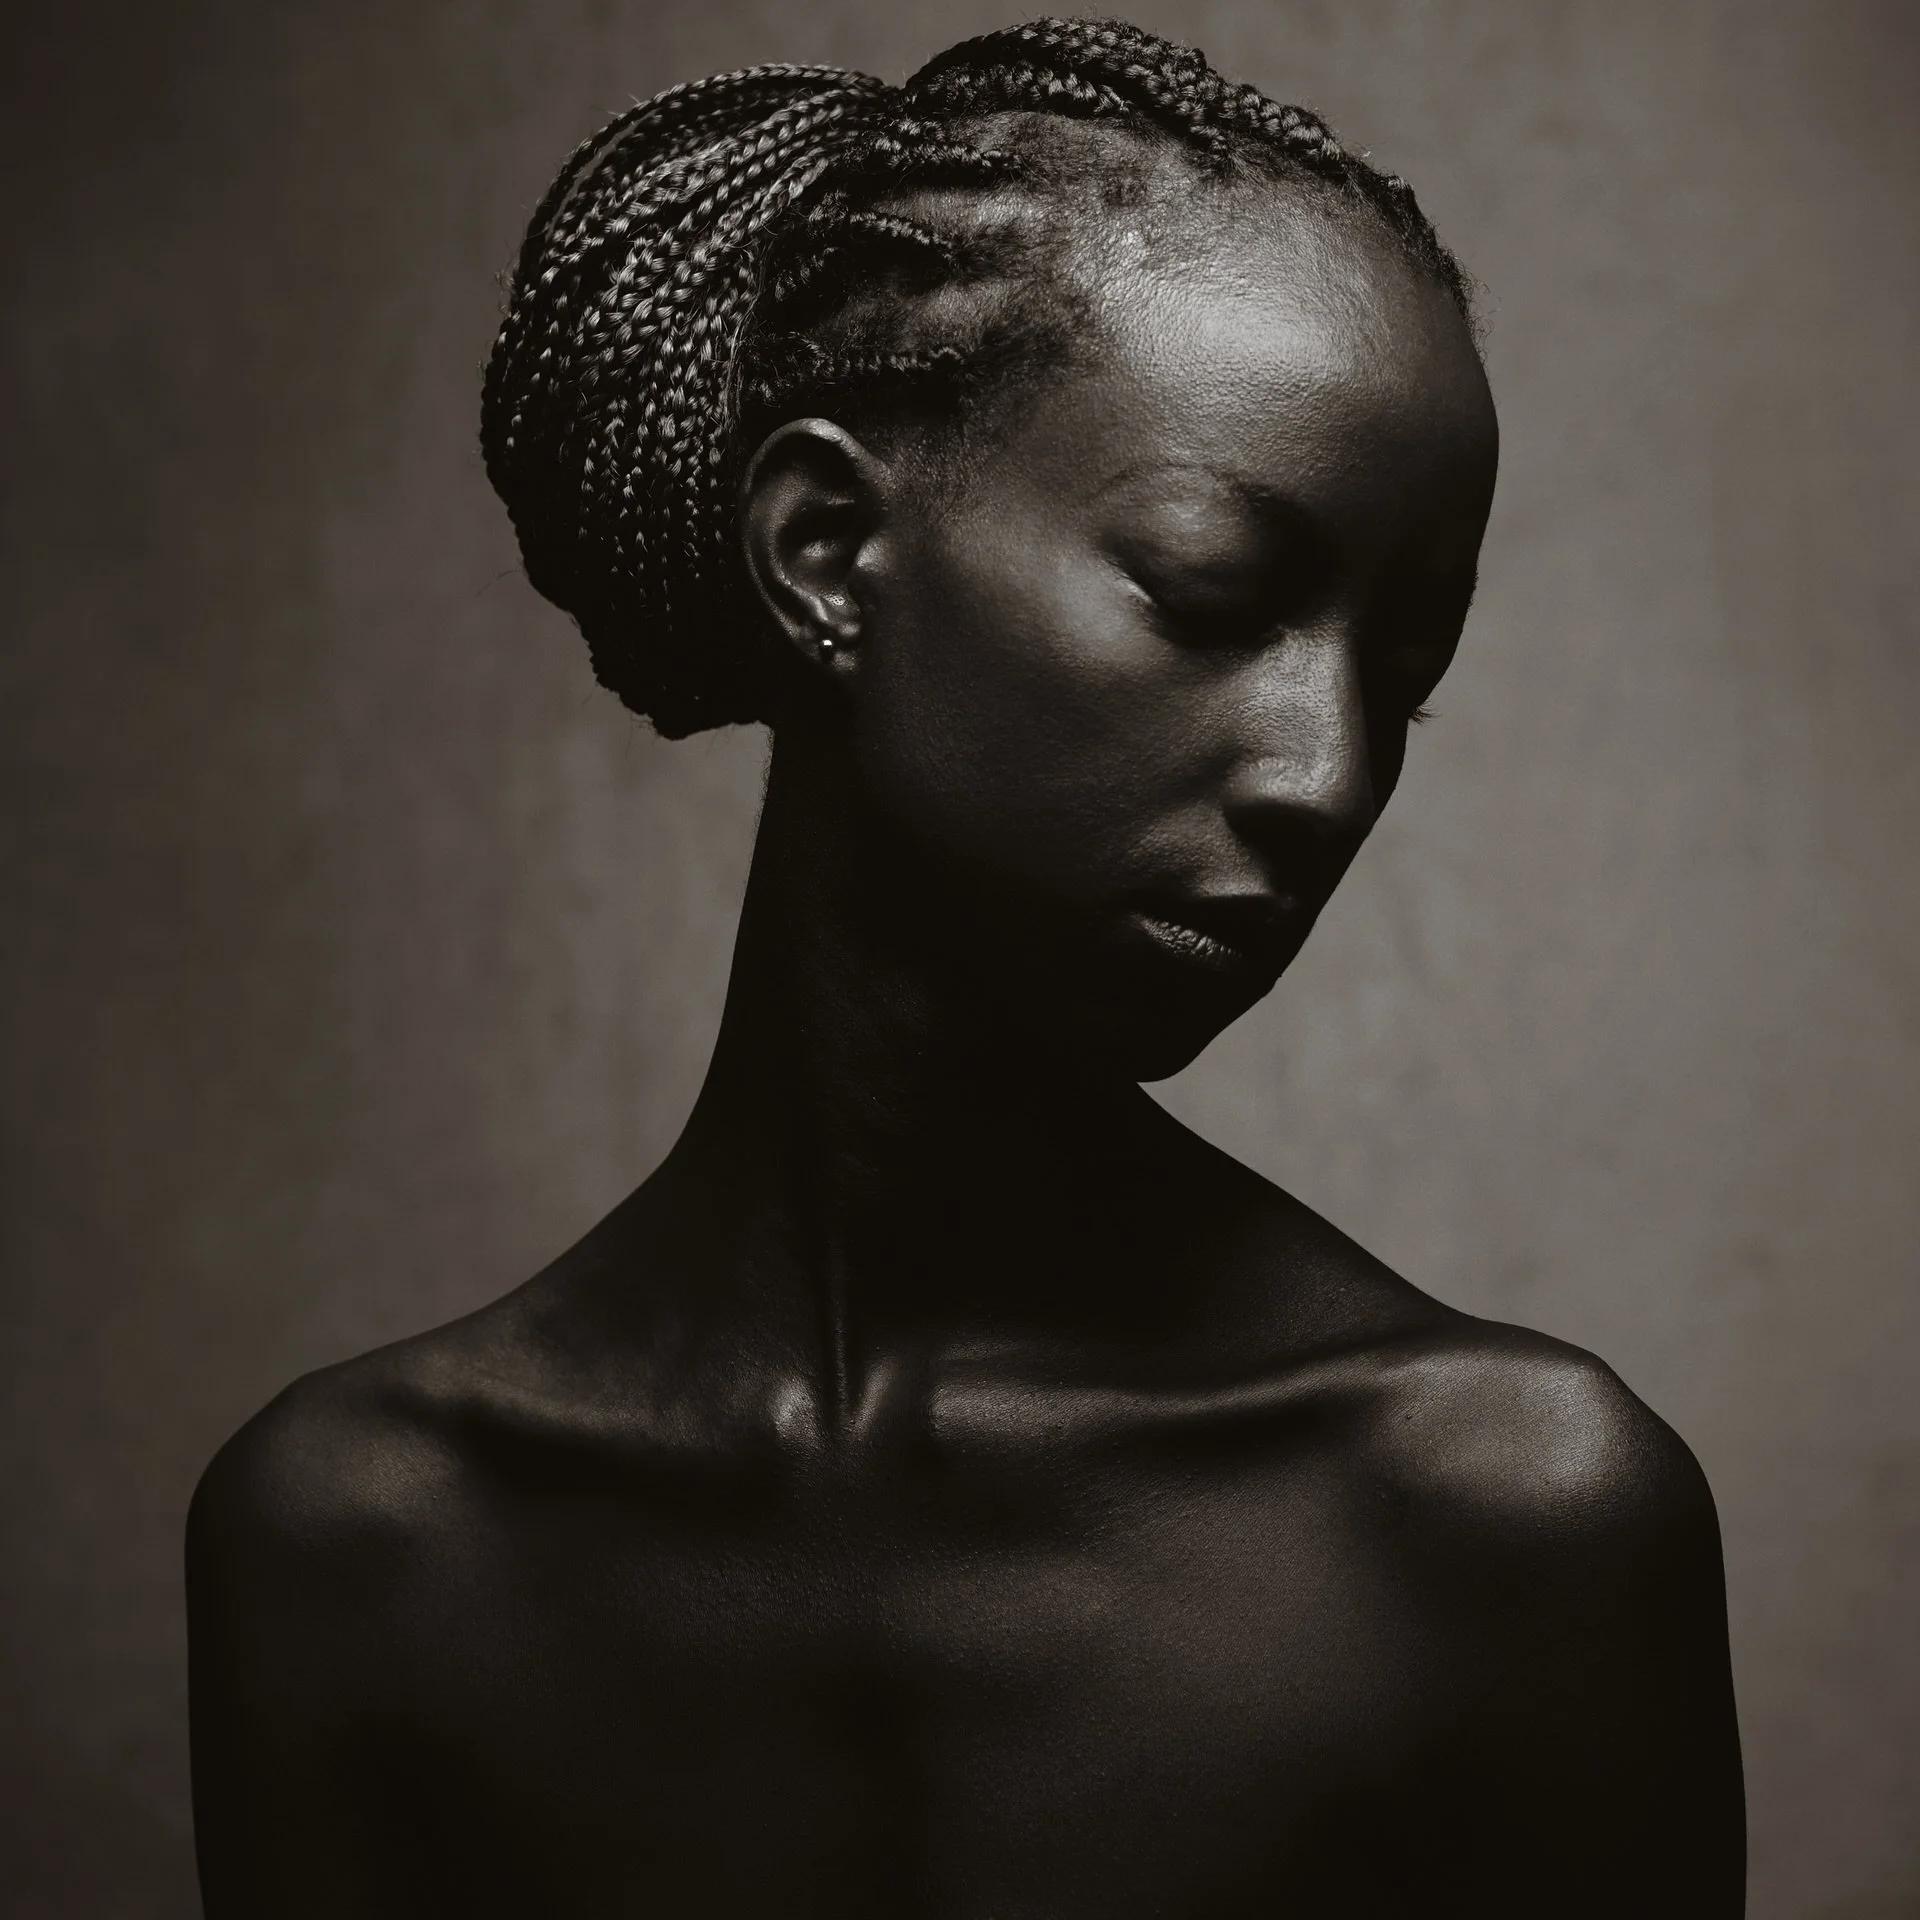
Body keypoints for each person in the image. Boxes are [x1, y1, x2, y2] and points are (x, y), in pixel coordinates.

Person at [185, 19, 1745, 1916]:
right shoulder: (362, 1543)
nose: (1330, 775)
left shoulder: (1502, 1520)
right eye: (1211, 595)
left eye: (1401, 672)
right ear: (829, 549)